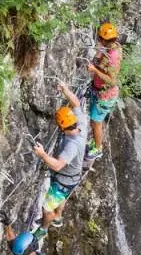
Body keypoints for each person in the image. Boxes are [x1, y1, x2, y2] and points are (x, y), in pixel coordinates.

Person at [33, 82, 88, 232]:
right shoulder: (80, 123)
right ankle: (57, 217)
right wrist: (65, 90)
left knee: (46, 207)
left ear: (62, 127)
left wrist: (42, 154)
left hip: (63, 180)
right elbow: (76, 102)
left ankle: (43, 229)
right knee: (61, 197)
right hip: (71, 179)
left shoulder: (72, 145)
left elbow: (57, 165)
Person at [85, 22, 121, 161]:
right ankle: (96, 142)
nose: (98, 39)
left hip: (105, 95)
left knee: (96, 122)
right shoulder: (109, 47)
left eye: (100, 38)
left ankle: (98, 149)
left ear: (106, 39)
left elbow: (112, 80)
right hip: (99, 90)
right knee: (94, 122)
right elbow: (101, 59)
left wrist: (94, 70)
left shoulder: (113, 56)